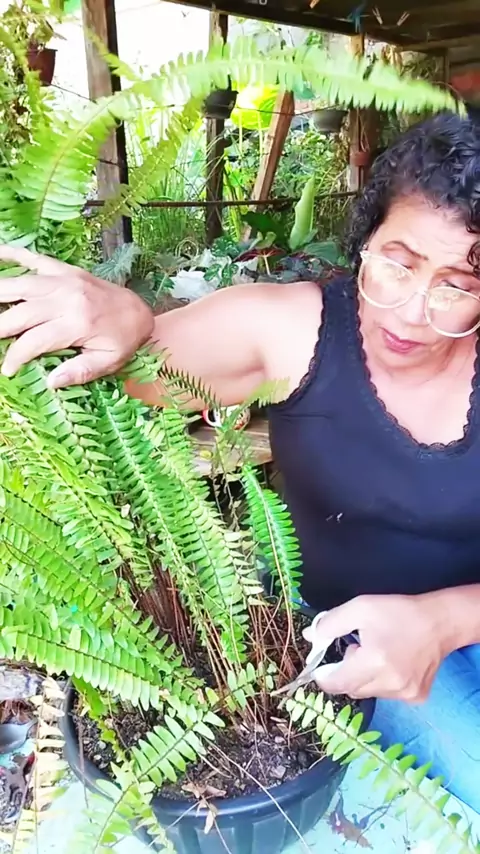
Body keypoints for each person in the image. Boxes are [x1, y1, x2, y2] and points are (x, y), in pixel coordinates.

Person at [1, 110, 480, 811]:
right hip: (351, 645)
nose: (412, 311)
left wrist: (443, 621)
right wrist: (125, 324)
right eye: (397, 264)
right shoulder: (289, 330)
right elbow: (139, 366)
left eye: (458, 285)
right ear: (365, 239)